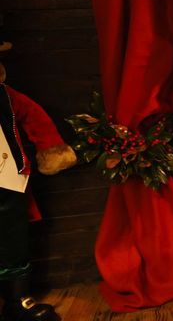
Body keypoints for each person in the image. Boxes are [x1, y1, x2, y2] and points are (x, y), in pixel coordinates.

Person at [0, 53, 76, 321]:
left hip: (5, 180)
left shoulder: (5, 96)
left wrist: (51, 149)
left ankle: (16, 299)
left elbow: (34, 117)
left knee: (12, 238)